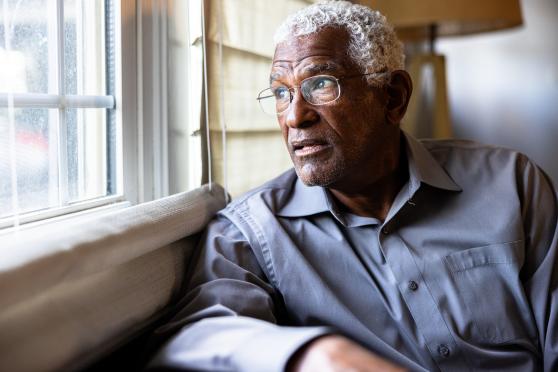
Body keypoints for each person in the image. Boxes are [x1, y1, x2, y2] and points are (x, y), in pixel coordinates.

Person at [148, 1, 558, 371]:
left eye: (320, 84)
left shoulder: (511, 183)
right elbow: (197, 336)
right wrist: (315, 354)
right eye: (280, 92)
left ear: (393, 97)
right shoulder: (252, 232)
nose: (294, 117)